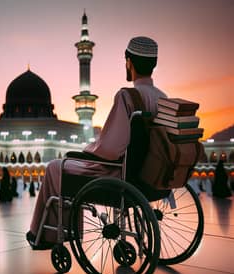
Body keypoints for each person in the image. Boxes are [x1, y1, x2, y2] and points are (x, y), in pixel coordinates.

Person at [26, 36, 167, 249]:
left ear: (129, 62)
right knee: (64, 164)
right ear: (154, 64)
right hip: (148, 175)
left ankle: (48, 234)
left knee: (56, 166)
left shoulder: (128, 96)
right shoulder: (163, 98)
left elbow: (110, 148)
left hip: (119, 174)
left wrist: (88, 150)